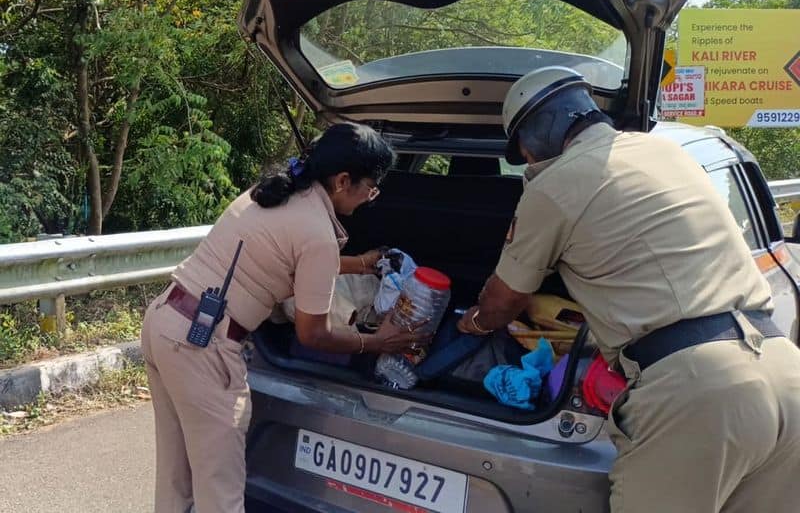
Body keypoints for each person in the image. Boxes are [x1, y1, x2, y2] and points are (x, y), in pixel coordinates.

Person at [457, 66, 800, 512]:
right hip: (783, 373)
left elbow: (504, 300)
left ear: (538, 132)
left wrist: (474, 323)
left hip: (697, 392)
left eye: (522, 149)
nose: (526, 159)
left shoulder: (555, 185)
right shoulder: (669, 152)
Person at [141, 122, 429, 513]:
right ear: (344, 180)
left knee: (177, 480)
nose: (369, 197)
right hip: (202, 346)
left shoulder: (275, 194)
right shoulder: (316, 232)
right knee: (220, 491)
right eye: (371, 187)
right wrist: (378, 341)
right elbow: (314, 333)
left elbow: (288, 259)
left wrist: (361, 264)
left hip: (165, 323)